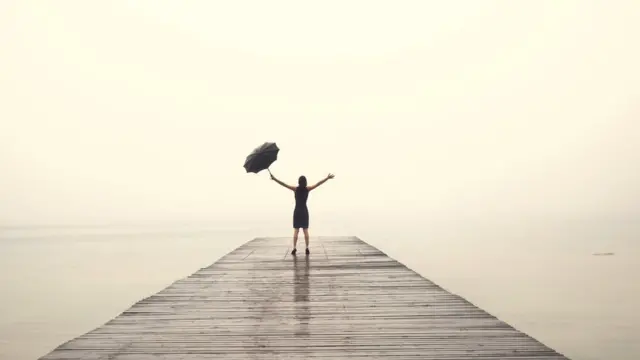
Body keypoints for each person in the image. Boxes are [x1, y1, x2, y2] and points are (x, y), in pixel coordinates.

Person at [270, 172, 335, 255]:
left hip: (297, 211)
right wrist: (327, 178)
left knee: (296, 231)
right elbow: (318, 184)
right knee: (305, 231)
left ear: (299, 182)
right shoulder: (307, 189)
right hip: (304, 211)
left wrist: (274, 179)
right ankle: (307, 248)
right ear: (305, 182)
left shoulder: (295, 189)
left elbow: (284, 184)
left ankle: (294, 248)